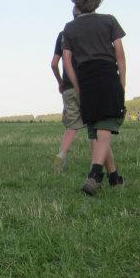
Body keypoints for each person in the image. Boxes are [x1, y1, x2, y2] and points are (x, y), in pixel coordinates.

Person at [61, 0, 126, 196]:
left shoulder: (69, 28)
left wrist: (78, 86)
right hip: (107, 75)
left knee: (97, 132)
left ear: (74, 0)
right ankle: (95, 174)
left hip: (85, 78)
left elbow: (67, 61)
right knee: (104, 127)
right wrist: (122, 82)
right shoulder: (109, 21)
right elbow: (120, 54)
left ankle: (114, 178)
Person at [51, 27, 84, 173]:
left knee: (71, 126)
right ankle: (98, 165)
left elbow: (54, 64)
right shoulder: (88, 30)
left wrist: (60, 82)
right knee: (96, 127)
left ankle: (61, 154)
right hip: (87, 86)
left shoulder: (63, 34)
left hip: (69, 88)